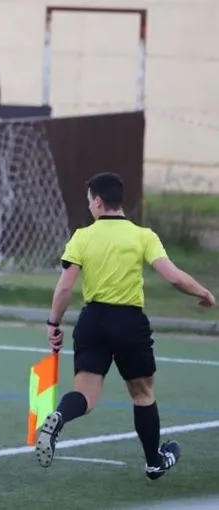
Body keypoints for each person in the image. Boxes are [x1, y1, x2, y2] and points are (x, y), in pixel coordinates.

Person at [35, 172, 215, 479]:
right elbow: (172, 276)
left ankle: (59, 416)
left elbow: (64, 287)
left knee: (86, 395)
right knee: (142, 394)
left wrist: (53, 322)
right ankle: (154, 462)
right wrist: (204, 293)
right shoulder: (143, 236)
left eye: (89, 200)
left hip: (92, 322)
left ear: (98, 201)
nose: (89, 205)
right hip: (129, 322)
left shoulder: (82, 236)